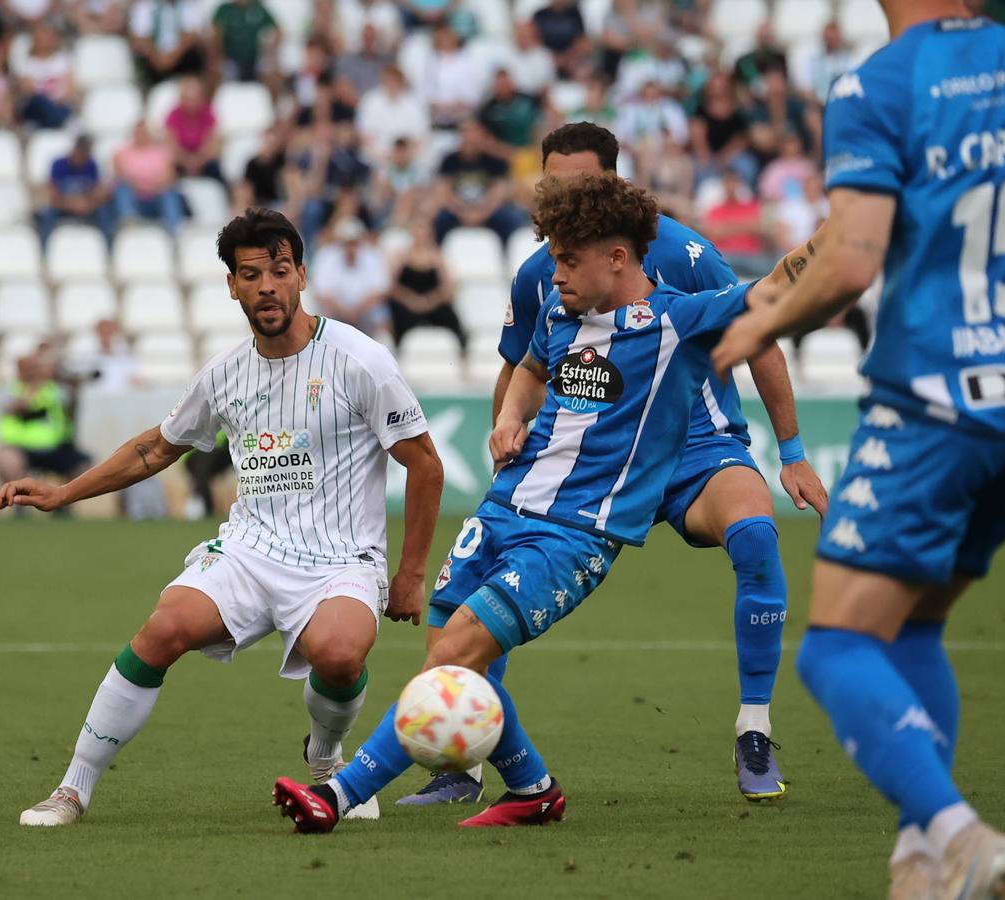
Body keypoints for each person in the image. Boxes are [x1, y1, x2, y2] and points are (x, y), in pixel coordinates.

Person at [709, 3, 1005, 896]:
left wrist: (755, 327)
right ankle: (921, 856)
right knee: (913, 625)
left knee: (832, 650)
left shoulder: (879, 82)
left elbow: (851, 263)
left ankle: (957, 832)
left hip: (933, 407)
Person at [271, 172, 811, 833]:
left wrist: (842, 234)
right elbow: (529, 368)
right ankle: (532, 789)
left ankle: (338, 794)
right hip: (502, 508)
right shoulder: (559, 314)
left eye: (566, 259)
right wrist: (508, 417)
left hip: (571, 536)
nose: (552, 274)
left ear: (617, 258)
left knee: (454, 655)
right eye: (551, 256)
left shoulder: (676, 320)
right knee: (449, 644)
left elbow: (776, 288)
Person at [402, 121, 826, 806]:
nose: (562, 198)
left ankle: (753, 729)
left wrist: (793, 451)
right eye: (552, 184)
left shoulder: (683, 253)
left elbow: (759, 330)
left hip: (694, 446)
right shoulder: (543, 271)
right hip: (593, 457)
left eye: (579, 185)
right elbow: (521, 365)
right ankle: (463, 760)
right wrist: (507, 429)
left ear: (612, 185)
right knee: (488, 584)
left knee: (754, 533)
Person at [0, 208, 445, 828]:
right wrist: (63, 493)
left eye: (278, 271)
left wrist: (412, 573)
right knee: (161, 630)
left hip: (341, 559)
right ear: (231, 285)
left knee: (339, 655)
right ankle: (71, 789)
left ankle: (327, 757)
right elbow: (158, 448)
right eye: (251, 274)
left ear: (301, 276)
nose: (266, 286)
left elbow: (425, 465)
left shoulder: (361, 360)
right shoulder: (225, 372)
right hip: (250, 550)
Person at [0, 352, 91, 491]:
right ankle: (17, 499)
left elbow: (71, 403)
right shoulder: (10, 390)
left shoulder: (54, 390)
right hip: (21, 449)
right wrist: (34, 390)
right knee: (5, 459)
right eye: (28, 368)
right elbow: (16, 406)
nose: (32, 372)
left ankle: (64, 498)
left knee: (84, 465)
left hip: (55, 448)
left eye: (35, 368)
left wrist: (71, 382)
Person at [432, 120, 529, 246]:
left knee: (510, 219)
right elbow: (443, 191)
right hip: (458, 209)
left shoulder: (495, 161)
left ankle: (507, 254)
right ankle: (437, 252)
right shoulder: (449, 160)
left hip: (488, 209)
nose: (470, 137)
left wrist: (481, 213)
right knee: (439, 219)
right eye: (466, 133)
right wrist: (462, 212)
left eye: (473, 133)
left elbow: (499, 192)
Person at [386, 221, 465, 356]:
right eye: (417, 230)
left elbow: (448, 288)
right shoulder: (400, 256)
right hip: (406, 305)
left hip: (433, 305)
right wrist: (411, 300)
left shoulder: (438, 257)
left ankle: (461, 352)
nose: (420, 235)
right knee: (395, 316)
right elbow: (391, 287)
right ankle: (397, 353)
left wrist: (430, 301)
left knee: (449, 316)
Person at [308, 217, 391, 340]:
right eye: (347, 242)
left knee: (381, 316)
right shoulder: (326, 255)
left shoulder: (372, 256)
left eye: (354, 242)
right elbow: (322, 293)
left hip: (365, 312)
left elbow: (380, 292)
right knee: (320, 315)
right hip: (335, 312)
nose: (350, 247)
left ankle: (385, 350)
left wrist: (357, 311)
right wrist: (344, 311)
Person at [38, 135, 116, 246]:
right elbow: (51, 192)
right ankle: (43, 248)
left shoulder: (91, 165)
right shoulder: (58, 164)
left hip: (85, 206)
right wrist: (71, 204)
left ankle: (109, 248)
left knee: (105, 213)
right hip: (63, 206)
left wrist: (87, 203)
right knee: (47, 215)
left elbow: (99, 191)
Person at [113, 121, 187, 236]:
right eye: (138, 132)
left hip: (156, 195)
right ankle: (129, 220)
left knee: (169, 193)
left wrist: (144, 182)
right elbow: (120, 175)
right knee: (122, 189)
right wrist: (146, 182)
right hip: (135, 196)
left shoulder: (162, 152)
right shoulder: (122, 153)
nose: (141, 135)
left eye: (144, 132)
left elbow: (169, 176)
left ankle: (175, 231)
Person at [164, 75, 223, 183]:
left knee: (217, 170)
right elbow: (171, 145)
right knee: (167, 171)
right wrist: (187, 162)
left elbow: (213, 143)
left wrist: (197, 161)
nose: (192, 102)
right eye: (188, 98)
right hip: (180, 161)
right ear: (181, 99)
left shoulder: (209, 113)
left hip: (204, 161)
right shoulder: (173, 115)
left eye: (195, 98)